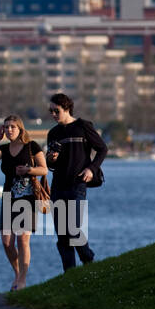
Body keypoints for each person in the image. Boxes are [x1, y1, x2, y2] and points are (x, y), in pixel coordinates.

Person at [0, 114, 49, 290]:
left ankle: (22, 280)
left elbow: (44, 170)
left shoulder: (31, 146)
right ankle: (17, 272)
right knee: (6, 242)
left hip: (27, 198)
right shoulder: (4, 148)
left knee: (23, 239)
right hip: (8, 197)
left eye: (12, 126)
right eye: (6, 127)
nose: (9, 130)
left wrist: (29, 170)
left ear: (20, 128)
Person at [46, 93, 107, 272]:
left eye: (56, 110)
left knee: (73, 229)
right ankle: (70, 274)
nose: (53, 114)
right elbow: (50, 165)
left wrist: (91, 169)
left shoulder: (83, 126)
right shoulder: (53, 133)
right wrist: (51, 158)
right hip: (57, 186)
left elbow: (102, 148)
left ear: (66, 108)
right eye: (50, 111)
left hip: (77, 185)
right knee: (62, 236)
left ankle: (88, 258)